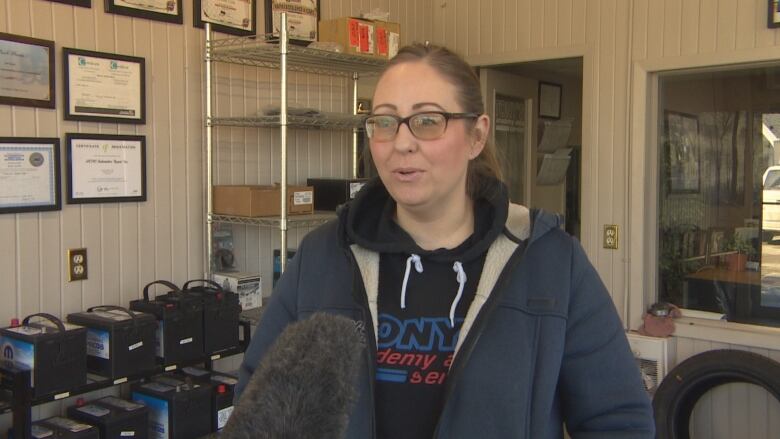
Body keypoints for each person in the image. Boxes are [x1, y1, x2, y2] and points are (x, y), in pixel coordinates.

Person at [235, 43, 655, 439]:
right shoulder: (322, 256)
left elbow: (618, 421)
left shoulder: (550, 262)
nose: (402, 143)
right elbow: (259, 409)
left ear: (476, 136)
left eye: (428, 121)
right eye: (384, 122)